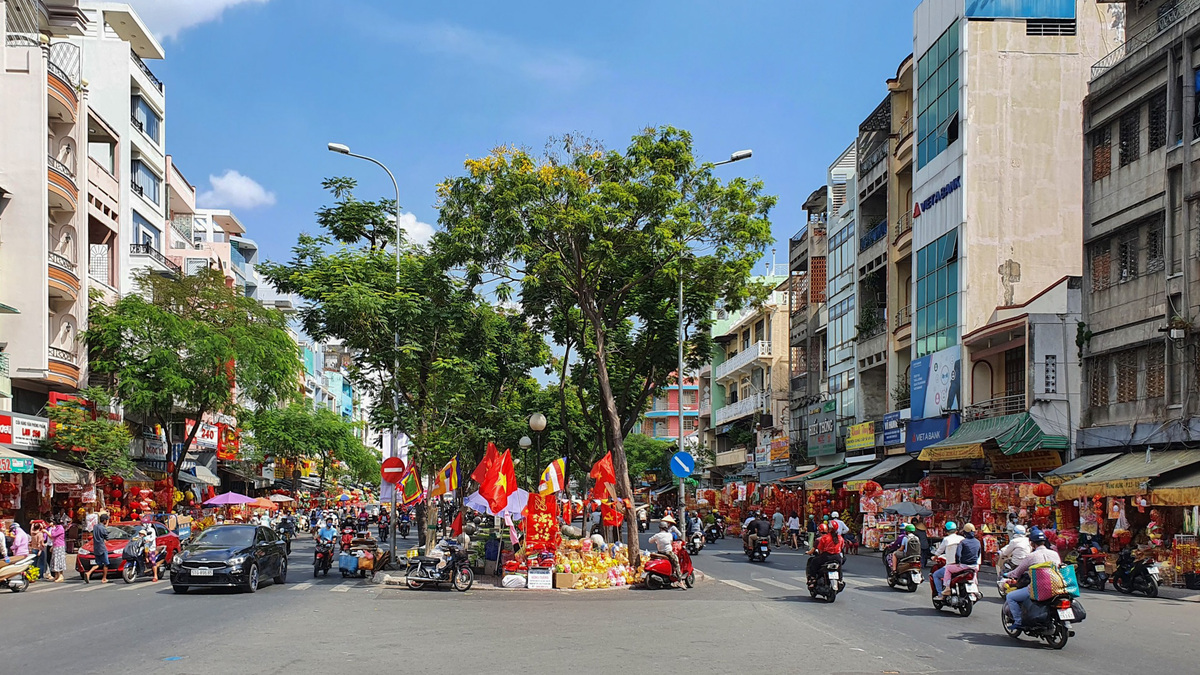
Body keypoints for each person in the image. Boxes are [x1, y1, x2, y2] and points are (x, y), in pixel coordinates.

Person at [1005, 527, 1061, 629]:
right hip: (1057, 587)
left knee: (1010, 597)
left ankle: (1018, 622)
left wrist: (1008, 575)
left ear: (1031, 543)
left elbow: (1017, 572)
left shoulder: (1031, 556)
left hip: (1038, 589)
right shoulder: (1054, 554)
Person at [941, 523, 981, 596]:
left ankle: (947, 588)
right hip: (974, 566)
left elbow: (958, 554)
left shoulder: (963, 542)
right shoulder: (978, 542)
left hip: (963, 566)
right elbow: (978, 554)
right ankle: (976, 590)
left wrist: (958, 562)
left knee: (948, 568)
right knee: (974, 575)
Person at [931, 521, 963, 595]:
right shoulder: (962, 538)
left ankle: (940, 594)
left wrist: (935, 557)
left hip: (951, 566)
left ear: (946, 531)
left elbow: (939, 550)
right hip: (963, 566)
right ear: (956, 530)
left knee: (936, 575)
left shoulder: (946, 539)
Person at [648, 521, 683, 587]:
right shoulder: (669, 535)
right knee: (676, 563)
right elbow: (670, 541)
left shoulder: (657, 535)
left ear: (660, 528)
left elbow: (650, 541)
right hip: (668, 553)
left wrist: (656, 541)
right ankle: (680, 580)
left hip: (659, 552)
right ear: (666, 528)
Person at [84, 513, 110, 584]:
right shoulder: (103, 528)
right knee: (106, 563)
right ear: (104, 520)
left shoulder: (95, 526)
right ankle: (104, 578)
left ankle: (88, 573)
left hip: (96, 548)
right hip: (102, 547)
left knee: (98, 563)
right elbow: (106, 536)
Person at [48, 516, 67, 582]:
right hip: (56, 545)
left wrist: (50, 529)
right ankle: (56, 575)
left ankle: (61, 576)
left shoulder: (60, 528)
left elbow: (53, 535)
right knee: (54, 560)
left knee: (59, 560)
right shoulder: (56, 528)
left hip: (59, 546)